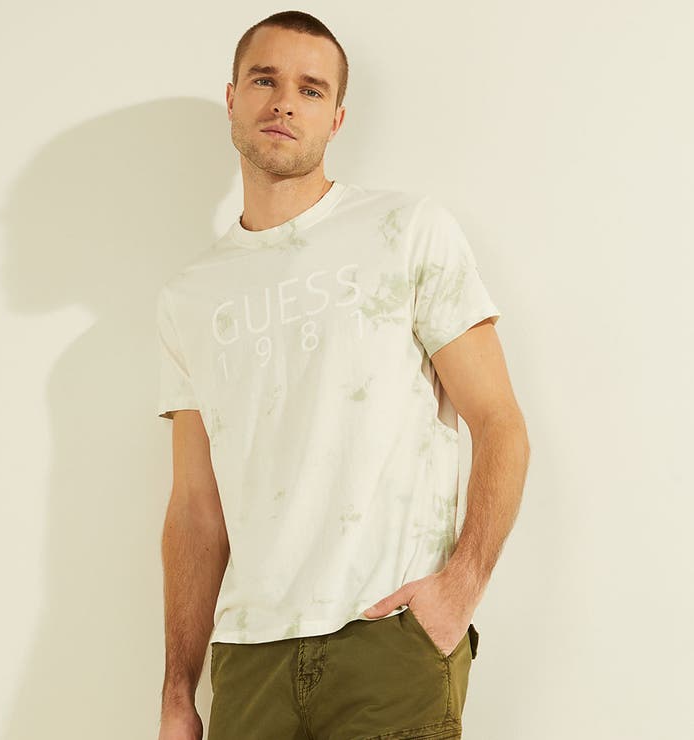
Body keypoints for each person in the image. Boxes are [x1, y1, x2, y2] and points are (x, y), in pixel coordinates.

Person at [156, 10, 530, 740]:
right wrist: (178, 693)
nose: (284, 103)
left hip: (386, 638)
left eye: (311, 89)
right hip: (248, 661)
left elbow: (500, 423)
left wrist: (459, 590)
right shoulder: (188, 298)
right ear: (231, 99)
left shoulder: (407, 231)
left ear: (337, 117)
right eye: (264, 80)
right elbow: (196, 509)